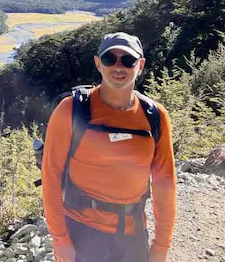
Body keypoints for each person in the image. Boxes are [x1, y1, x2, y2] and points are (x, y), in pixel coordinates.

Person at [41, 32, 176, 262]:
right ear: (97, 63)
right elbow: (51, 175)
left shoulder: (155, 116)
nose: (118, 66)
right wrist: (60, 239)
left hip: (134, 236)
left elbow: (165, 184)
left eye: (128, 60)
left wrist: (161, 246)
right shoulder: (71, 110)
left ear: (140, 65)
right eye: (109, 58)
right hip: (83, 232)